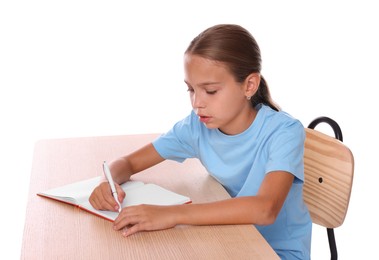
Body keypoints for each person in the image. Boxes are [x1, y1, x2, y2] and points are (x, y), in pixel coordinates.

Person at [89, 24, 312, 259]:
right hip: (228, 240)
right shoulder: (197, 126)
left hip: (275, 252)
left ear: (249, 85)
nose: (197, 103)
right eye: (191, 90)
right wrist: (108, 181)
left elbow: (265, 209)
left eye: (211, 91)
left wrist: (172, 214)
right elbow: (128, 163)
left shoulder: (283, 132)